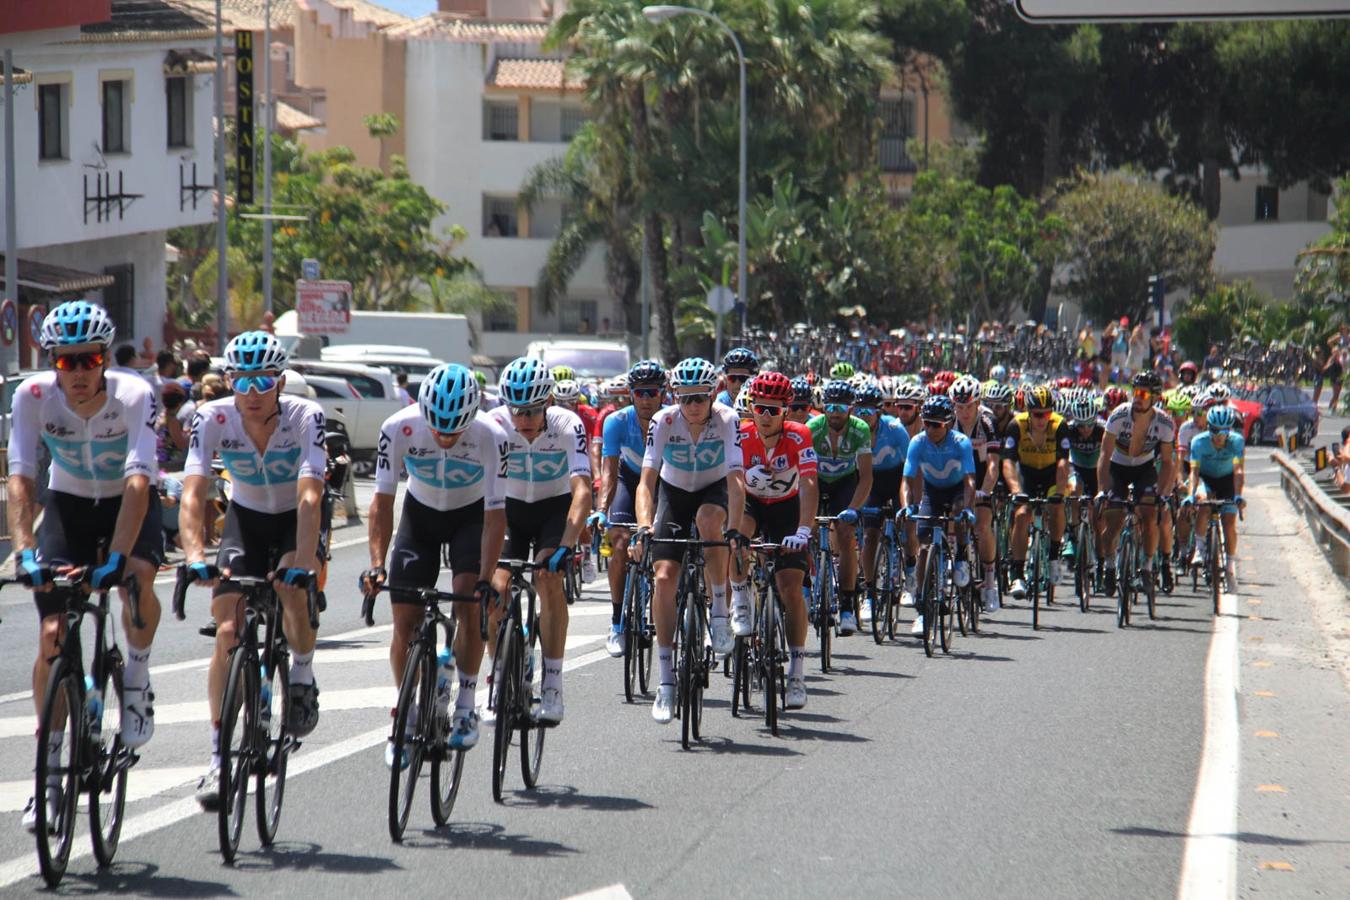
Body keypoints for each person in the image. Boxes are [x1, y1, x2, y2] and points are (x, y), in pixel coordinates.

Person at [9, 301, 164, 833]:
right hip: (69, 507)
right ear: (52, 360)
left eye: (89, 358)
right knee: (52, 634)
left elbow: (141, 482)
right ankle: (48, 779)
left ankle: (137, 681)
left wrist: (118, 559)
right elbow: (22, 478)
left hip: (127, 502)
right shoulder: (31, 396)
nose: (77, 372)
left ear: (104, 358)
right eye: (65, 361)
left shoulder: (136, 396)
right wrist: (25, 549)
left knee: (136, 581)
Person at [179, 331, 327, 809]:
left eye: (265, 380)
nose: (254, 392)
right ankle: (219, 758)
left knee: (290, 590)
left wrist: (304, 561)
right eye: (243, 381)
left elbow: (310, 496)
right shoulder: (211, 417)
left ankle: (301, 675)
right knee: (227, 629)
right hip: (246, 519)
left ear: (280, 382)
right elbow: (193, 490)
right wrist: (195, 554)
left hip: (293, 521)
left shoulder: (307, 417)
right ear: (229, 381)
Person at [362, 364, 506, 758]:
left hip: (470, 519)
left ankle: (466, 705)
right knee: (404, 622)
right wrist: (377, 564)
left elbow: (495, 517)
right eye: (437, 427)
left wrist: (486, 577)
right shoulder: (398, 427)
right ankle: (406, 714)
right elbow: (382, 501)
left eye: (454, 429)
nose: (444, 436)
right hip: (419, 520)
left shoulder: (490, 435)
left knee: (468, 601)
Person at [631, 357, 746, 724]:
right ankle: (666, 682)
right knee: (664, 578)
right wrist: (645, 525)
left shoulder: (728, 420)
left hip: (714, 490)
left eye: (700, 397)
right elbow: (647, 480)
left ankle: (719, 612)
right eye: (685, 398)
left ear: (713, 394)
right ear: (675, 397)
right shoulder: (664, 421)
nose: (693, 406)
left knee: (710, 521)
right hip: (674, 492)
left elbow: (737, 481)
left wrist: (736, 529)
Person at [487, 358, 592, 724]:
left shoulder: (568, 424)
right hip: (508, 511)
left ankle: (552, 681)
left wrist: (567, 545)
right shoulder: (494, 426)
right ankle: (499, 675)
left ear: (548, 402)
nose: (525, 418)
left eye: (533, 409)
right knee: (493, 590)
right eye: (517, 409)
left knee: (548, 578)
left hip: (553, 509)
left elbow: (582, 491)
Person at [735, 372, 818, 709]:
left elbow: (810, 484)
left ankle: (797, 672)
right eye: (759, 409)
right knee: (735, 538)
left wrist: (803, 530)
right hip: (753, 504)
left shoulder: (799, 435)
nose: (765, 417)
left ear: (786, 411)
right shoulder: (740, 434)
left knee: (790, 589)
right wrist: (742, 477)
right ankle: (740, 598)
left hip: (787, 509)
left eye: (773, 410)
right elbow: (727, 481)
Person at [592, 360, 667, 656]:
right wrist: (601, 509)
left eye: (651, 392)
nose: (645, 399)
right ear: (630, 393)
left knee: (669, 543)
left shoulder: (673, 420)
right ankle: (617, 621)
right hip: (628, 478)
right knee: (620, 541)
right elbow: (609, 472)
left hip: (664, 481)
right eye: (639, 392)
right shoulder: (616, 422)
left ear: (663, 393)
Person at [900, 395, 976, 636]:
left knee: (957, 513)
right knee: (923, 547)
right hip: (932, 492)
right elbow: (907, 480)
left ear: (949, 424)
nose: (930, 429)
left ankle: (962, 555)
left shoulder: (961, 442)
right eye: (927, 423)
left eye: (937, 424)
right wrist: (907, 506)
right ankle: (923, 610)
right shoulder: (918, 441)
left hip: (956, 491)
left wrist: (968, 508)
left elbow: (970, 480)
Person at [1097, 370, 1176, 595]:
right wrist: (1102, 491)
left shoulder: (1165, 423)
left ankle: (1147, 569)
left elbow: (1168, 462)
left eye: (1144, 393)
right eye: (1135, 392)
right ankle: (1110, 568)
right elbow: (1104, 454)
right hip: (1118, 468)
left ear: (1155, 397)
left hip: (1144, 470)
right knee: (1113, 521)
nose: (1138, 397)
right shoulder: (1118, 416)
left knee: (1151, 516)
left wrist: (1162, 494)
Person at [807, 380, 874, 635]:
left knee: (846, 536)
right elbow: (803, 473)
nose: (835, 412)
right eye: (831, 406)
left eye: (841, 407)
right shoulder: (813, 428)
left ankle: (847, 605)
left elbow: (866, 477)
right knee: (805, 530)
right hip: (816, 481)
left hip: (845, 483)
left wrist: (855, 508)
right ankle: (805, 585)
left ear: (851, 409)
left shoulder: (860, 430)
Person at [1002, 385, 1071, 599]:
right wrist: (1015, 490)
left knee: (1057, 507)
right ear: (1029, 413)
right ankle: (1017, 573)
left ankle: (1052, 556)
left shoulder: (1060, 425)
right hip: (1027, 475)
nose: (1043, 419)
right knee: (1022, 515)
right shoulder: (1017, 425)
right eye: (1038, 414)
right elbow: (1008, 463)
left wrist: (1059, 492)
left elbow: (1062, 463)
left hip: (1052, 474)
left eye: (1047, 413)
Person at [1185, 404, 1246, 593]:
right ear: (1208, 428)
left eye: (1224, 431)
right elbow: (1194, 472)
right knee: (1203, 502)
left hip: (1228, 481)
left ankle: (1229, 569)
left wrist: (1237, 496)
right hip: (1207, 479)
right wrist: (1190, 495)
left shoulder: (1236, 441)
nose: (1220, 436)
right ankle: (1200, 548)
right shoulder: (1198, 442)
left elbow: (1238, 470)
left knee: (1229, 522)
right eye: (1215, 431)